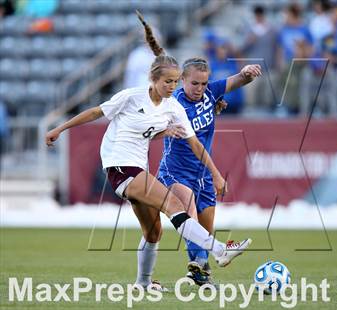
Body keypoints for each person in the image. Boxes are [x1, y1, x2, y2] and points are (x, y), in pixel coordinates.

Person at [45, 12, 252, 291]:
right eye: (168, 82)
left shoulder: (173, 107)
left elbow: (195, 144)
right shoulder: (132, 96)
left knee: (153, 232)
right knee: (174, 205)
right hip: (120, 166)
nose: (172, 87)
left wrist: (215, 174)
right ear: (153, 79)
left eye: (175, 82)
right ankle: (218, 250)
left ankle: (143, 283)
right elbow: (96, 111)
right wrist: (60, 128)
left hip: (137, 168)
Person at [156, 55, 261, 287]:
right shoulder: (172, 103)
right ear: (182, 79)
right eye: (194, 83)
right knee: (189, 212)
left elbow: (238, 81)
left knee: (203, 231)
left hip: (202, 173)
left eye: (204, 83)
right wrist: (165, 128)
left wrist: (247, 72)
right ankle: (214, 259)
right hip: (176, 171)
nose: (200, 88)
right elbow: (151, 123)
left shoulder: (211, 94)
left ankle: (201, 275)